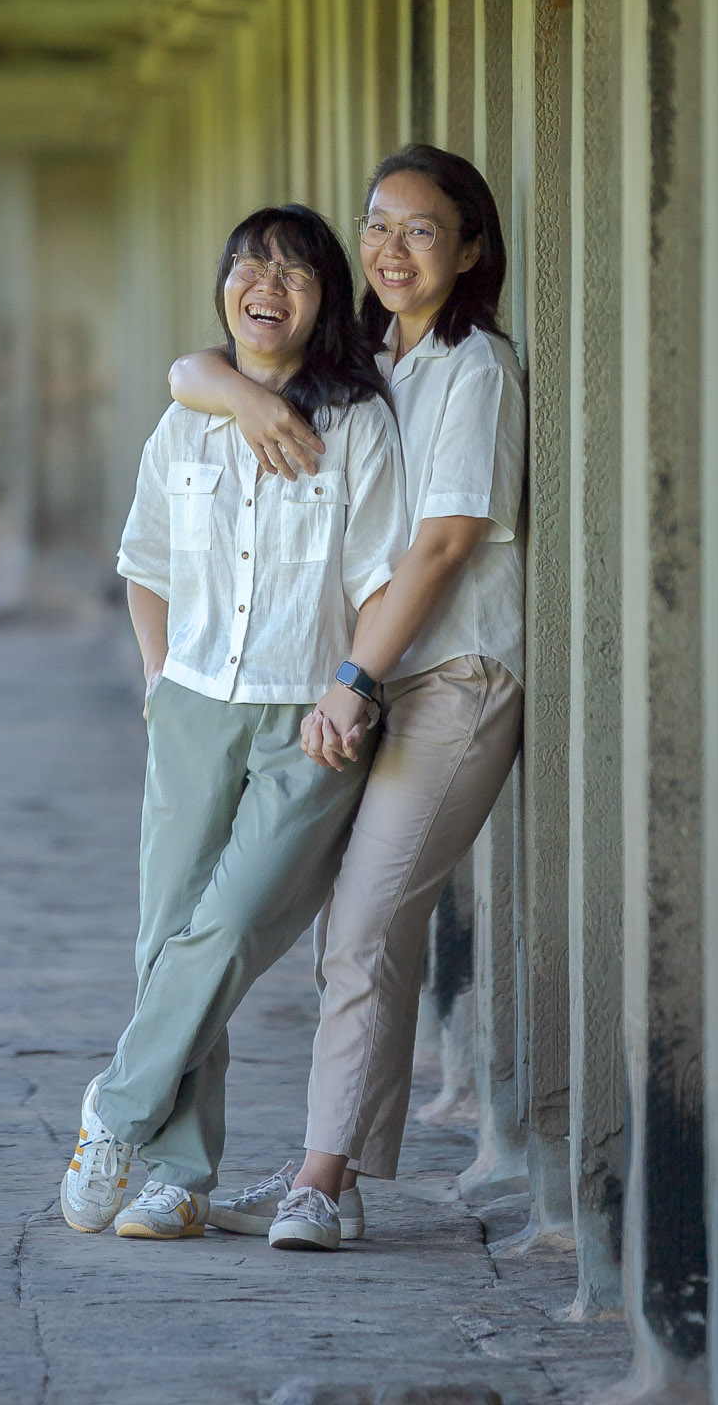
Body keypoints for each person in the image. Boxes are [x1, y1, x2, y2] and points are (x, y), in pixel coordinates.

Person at [167, 145, 525, 1252]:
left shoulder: (474, 368)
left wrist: (349, 679)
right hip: (360, 682)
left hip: (446, 680)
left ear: (469, 248)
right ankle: (321, 1167)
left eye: (422, 230)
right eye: (377, 225)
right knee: (311, 923)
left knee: (366, 921)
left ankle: (322, 1182)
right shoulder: (367, 355)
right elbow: (194, 369)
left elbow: (443, 542)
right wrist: (231, 386)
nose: (391, 249)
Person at [60, 203, 405, 1242]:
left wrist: (349, 683)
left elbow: (383, 577)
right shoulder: (185, 420)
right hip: (193, 706)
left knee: (224, 924)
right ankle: (174, 1177)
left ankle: (112, 1111)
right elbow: (146, 567)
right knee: (167, 937)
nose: (267, 285)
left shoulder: (358, 424)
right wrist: (162, 679)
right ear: (224, 286)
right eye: (249, 266)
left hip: (309, 720)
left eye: (294, 273)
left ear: (325, 301)